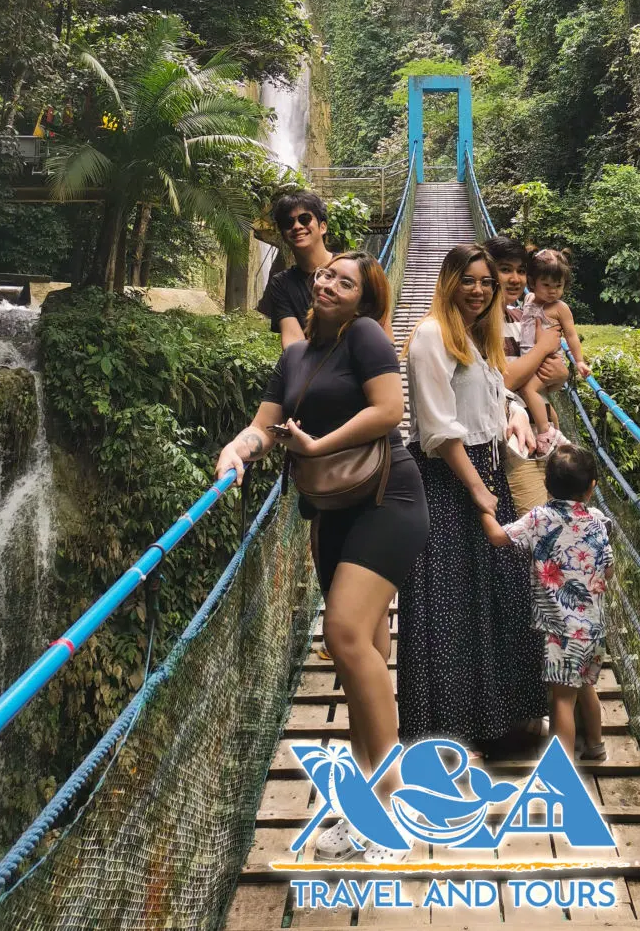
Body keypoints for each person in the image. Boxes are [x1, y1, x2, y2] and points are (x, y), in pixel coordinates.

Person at [215, 251, 429, 862]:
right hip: (330, 510)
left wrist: (316, 445)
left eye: (345, 280)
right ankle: (368, 802)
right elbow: (264, 428)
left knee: (341, 632)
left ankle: (391, 806)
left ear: (363, 299)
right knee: (363, 649)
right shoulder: (292, 359)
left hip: (388, 497)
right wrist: (239, 447)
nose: (328, 282)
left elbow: (390, 412)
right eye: (324, 275)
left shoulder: (365, 336)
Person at [396, 243, 547, 748]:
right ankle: (446, 728)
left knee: (499, 592)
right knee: (449, 603)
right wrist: (481, 491)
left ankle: (502, 717)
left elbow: (487, 394)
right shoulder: (430, 336)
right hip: (448, 482)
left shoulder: (476, 336)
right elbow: (439, 430)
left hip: (485, 473)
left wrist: (516, 411)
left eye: (487, 281)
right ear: (449, 281)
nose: (480, 290)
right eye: (470, 280)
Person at [480, 443, 612, 763]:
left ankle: (561, 768)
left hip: (559, 629)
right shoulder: (598, 519)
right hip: (592, 625)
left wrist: (483, 508)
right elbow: (608, 566)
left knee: (561, 700)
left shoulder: (540, 518)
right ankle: (596, 746)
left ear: (545, 484)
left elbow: (499, 537)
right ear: (591, 487)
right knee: (584, 687)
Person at [486, 233, 568, 514]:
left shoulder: (524, 318)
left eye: (521, 271)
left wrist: (561, 375)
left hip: (543, 429)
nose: (515, 278)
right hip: (512, 442)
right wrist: (542, 348)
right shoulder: (480, 323)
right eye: (505, 269)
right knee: (541, 526)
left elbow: (543, 372)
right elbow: (505, 380)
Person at [257, 190, 334, 346]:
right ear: (283, 234)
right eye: (288, 223)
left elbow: (381, 331)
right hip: (313, 367)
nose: (297, 226)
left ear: (323, 226)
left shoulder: (355, 268)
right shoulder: (281, 284)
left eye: (304, 219)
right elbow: (293, 345)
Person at [518, 248, 591, 379]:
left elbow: (571, 336)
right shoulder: (528, 299)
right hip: (528, 360)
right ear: (532, 282)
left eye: (558, 286)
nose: (552, 291)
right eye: (546, 285)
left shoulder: (560, 308)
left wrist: (579, 361)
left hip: (548, 364)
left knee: (528, 390)